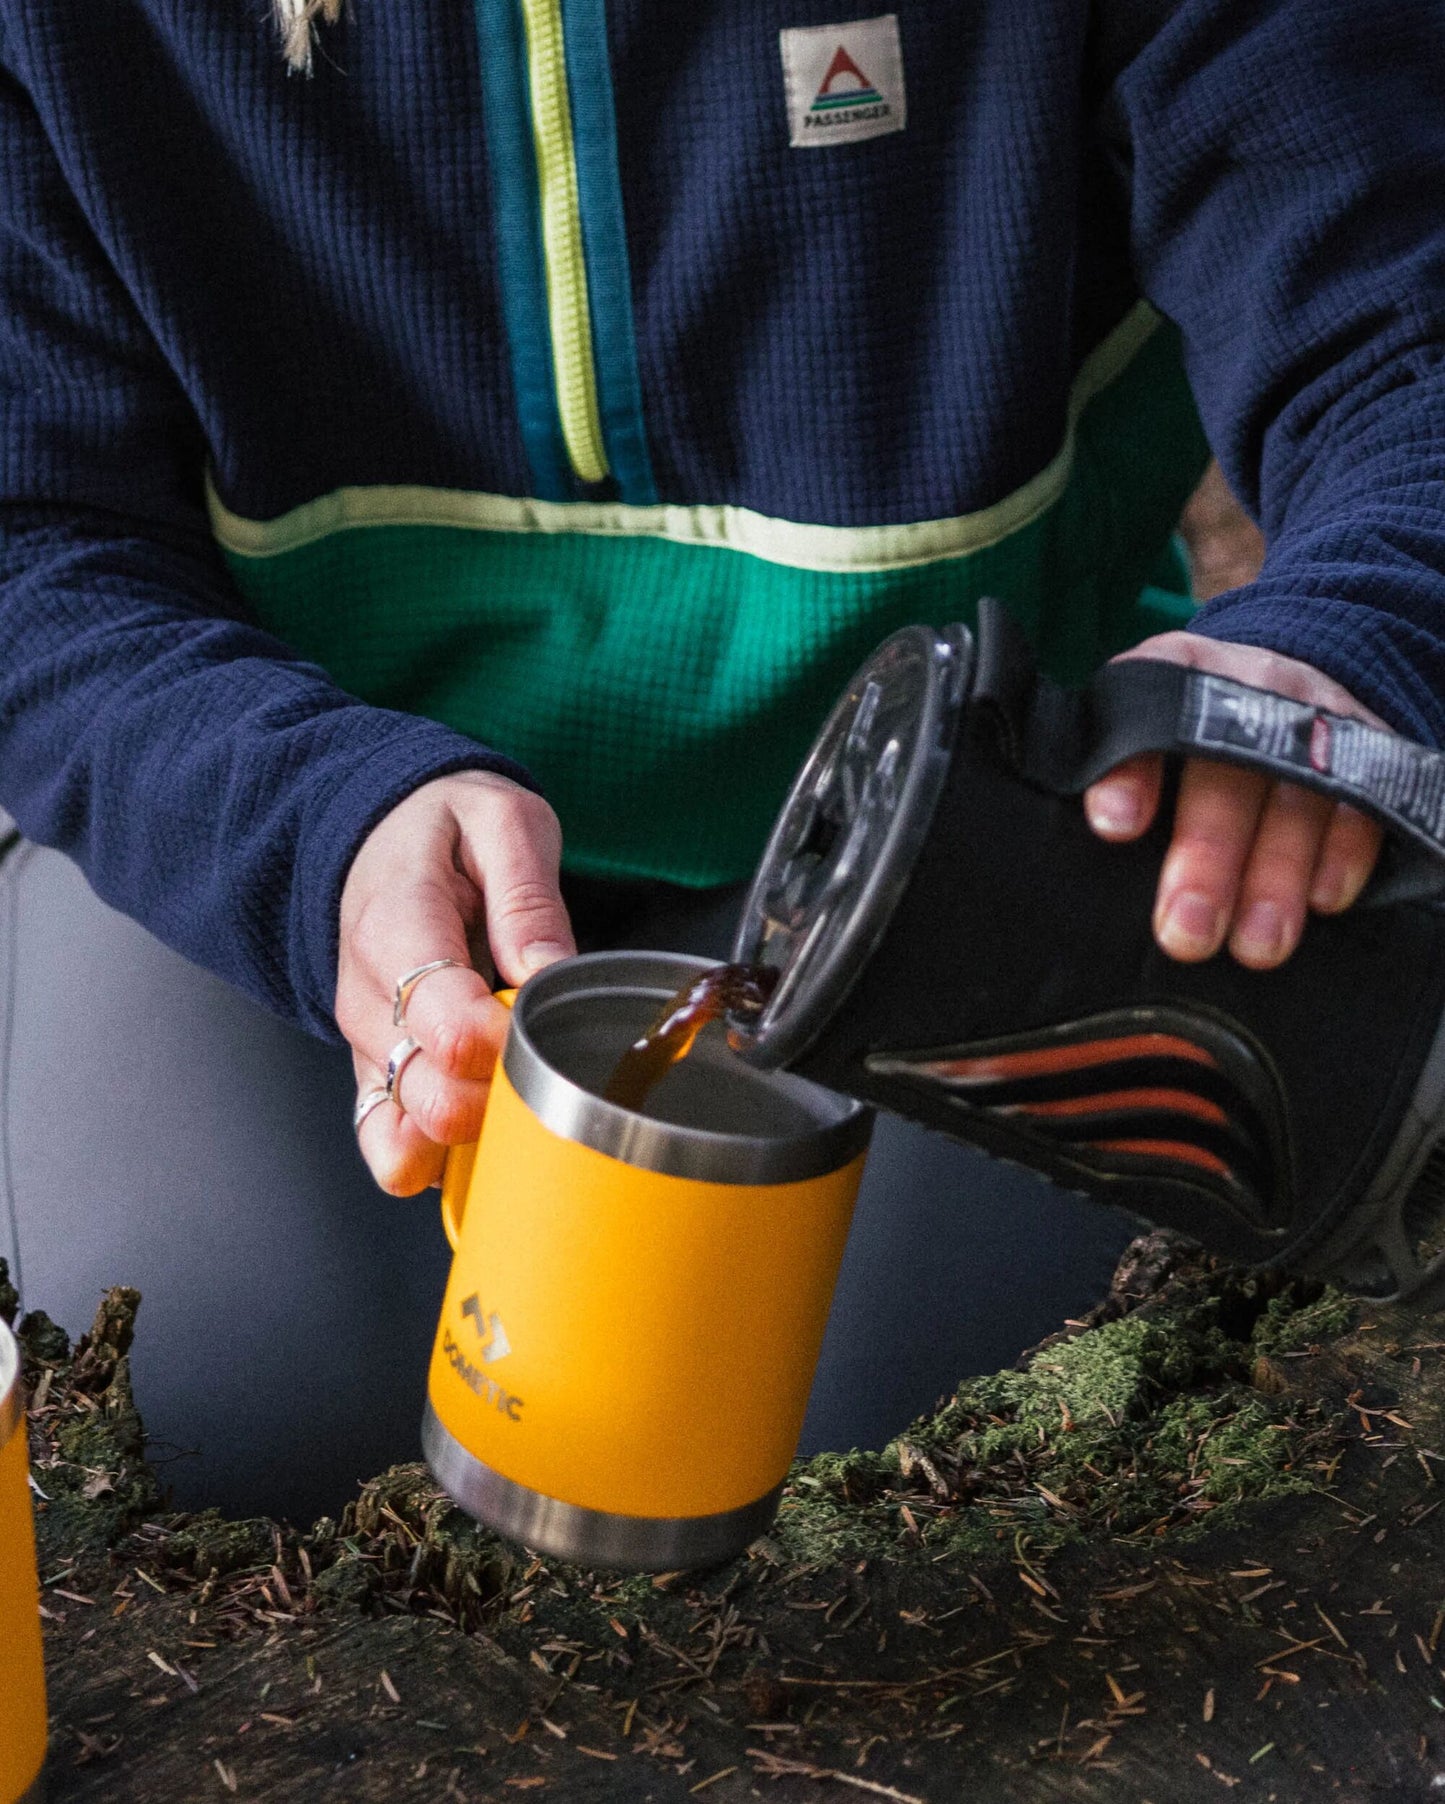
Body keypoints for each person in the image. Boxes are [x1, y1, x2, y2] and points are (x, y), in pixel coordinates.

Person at [0, 0, 1436, 1520]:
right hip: (283, 816)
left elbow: (1399, 336)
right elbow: (37, 539)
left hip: (968, 849)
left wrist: (1347, 631)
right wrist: (314, 833)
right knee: (194, 1405)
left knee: (938, 1468)